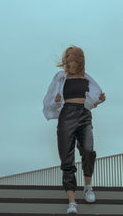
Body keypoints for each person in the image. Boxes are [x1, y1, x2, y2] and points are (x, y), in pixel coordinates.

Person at [43, 45, 106, 214]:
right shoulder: (61, 77)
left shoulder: (86, 78)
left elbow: (91, 99)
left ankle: (88, 187)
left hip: (84, 115)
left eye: (72, 57)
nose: (69, 60)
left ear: (79, 59)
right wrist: (57, 101)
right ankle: (72, 201)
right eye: (67, 57)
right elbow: (50, 101)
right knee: (67, 157)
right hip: (67, 115)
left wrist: (99, 100)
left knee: (87, 150)